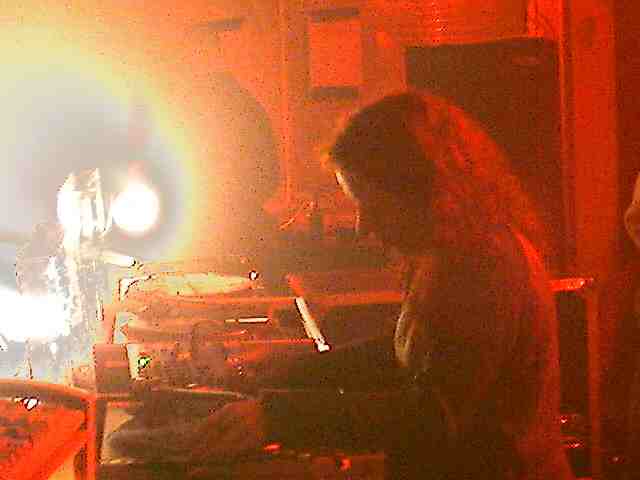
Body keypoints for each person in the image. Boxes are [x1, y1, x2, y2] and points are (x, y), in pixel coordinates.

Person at [186, 91, 574, 479]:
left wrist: (276, 417)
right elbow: (405, 356)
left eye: (372, 206)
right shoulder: (452, 249)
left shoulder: (486, 266)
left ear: (419, 192)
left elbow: (431, 417)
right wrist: (288, 371)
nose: (362, 226)